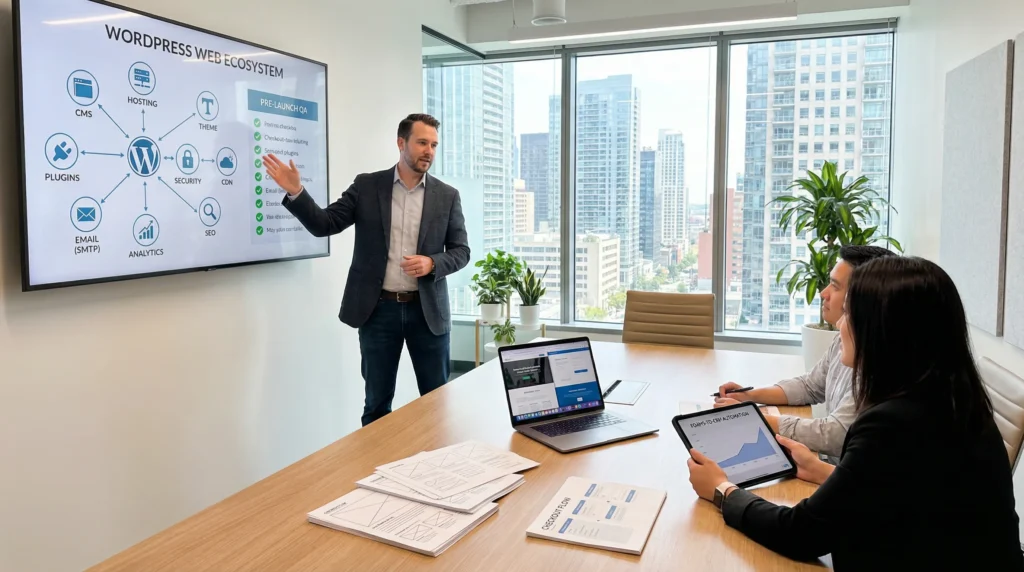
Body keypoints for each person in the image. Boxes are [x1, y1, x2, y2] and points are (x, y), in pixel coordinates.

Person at [688, 256, 1023, 569]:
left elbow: (801, 533)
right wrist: (823, 471)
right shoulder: (956, 402)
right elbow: (910, 496)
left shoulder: (892, 424)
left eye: (849, 314)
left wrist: (722, 489)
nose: (841, 325)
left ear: (883, 330)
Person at [263, 113, 470, 426]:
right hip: (378, 311)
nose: (428, 150)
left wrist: (432, 263)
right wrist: (296, 192)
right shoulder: (367, 186)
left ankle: (439, 471)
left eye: (434, 145)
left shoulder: (447, 195)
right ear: (401, 143)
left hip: (427, 313)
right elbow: (325, 224)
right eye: (422, 142)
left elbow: (461, 252)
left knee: (436, 403)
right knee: (376, 406)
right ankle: (375, 473)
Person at [715, 245, 895, 461]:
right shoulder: (845, 339)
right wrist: (749, 396)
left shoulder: (880, 367)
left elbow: (833, 435)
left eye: (836, 287)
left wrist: (751, 417)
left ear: (866, 297)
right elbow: (810, 386)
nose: (823, 293)